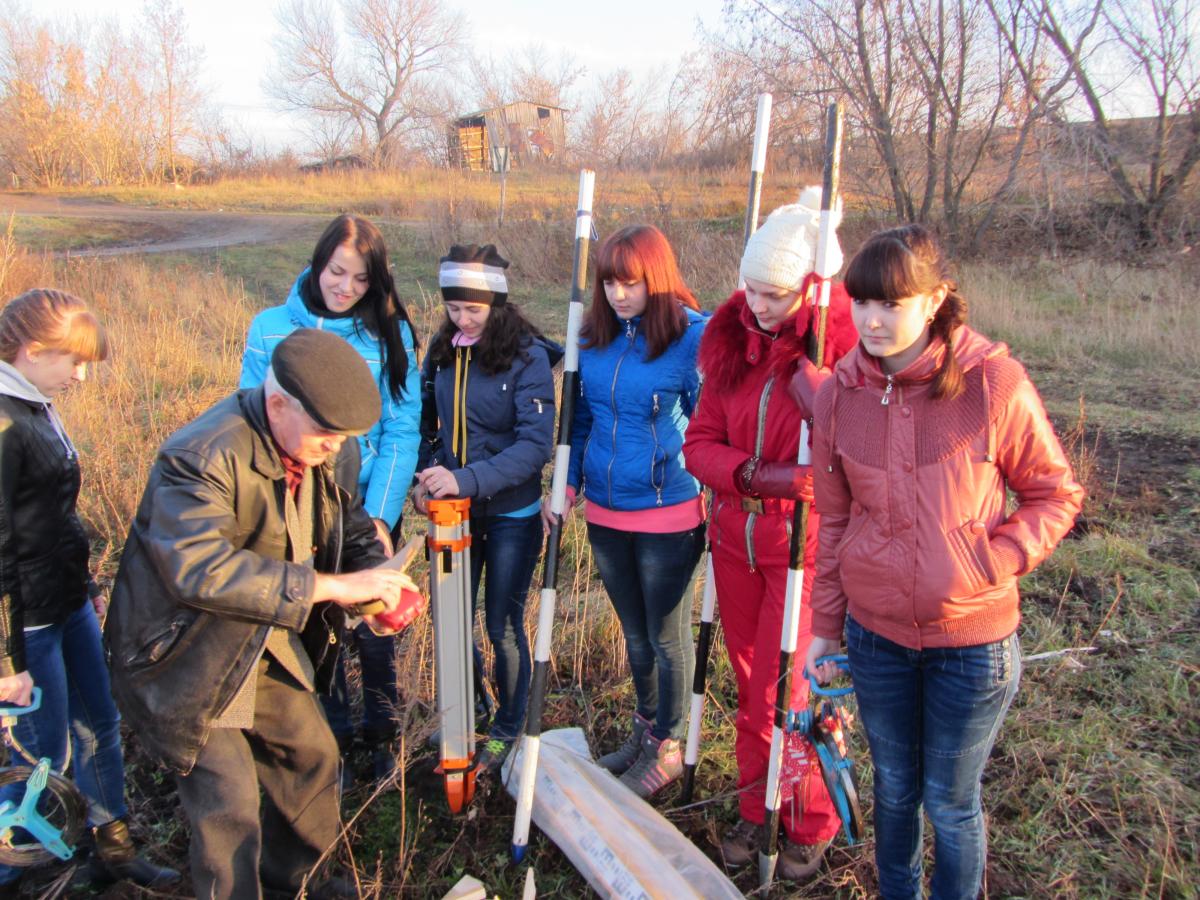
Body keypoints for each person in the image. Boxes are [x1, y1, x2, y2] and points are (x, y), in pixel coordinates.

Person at [804, 224, 1083, 899]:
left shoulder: (993, 385)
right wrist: (825, 626)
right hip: (876, 638)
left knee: (949, 801)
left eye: (891, 304)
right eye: (862, 302)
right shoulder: (838, 396)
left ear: (935, 301)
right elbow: (835, 519)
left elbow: (1055, 492)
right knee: (895, 790)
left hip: (973, 643)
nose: (871, 320)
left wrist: (992, 560)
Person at [105, 329, 418, 900]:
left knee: (314, 758)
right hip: (187, 655)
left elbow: (346, 524)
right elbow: (198, 570)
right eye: (329, 436)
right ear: (278, 404)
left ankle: (293, 885)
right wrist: (332, 588)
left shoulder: (325, 443)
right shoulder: (199, 455)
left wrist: (377, 587)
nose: (339, 448)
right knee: (230, 805)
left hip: (260, 640)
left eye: (347, 438)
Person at [683, 193, 858, 881]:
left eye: (774, 293)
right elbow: (699, 446)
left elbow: (857, 463)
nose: (756, 303)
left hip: (804, 558)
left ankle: (811, 820)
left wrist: (814, 468)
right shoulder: (730, 347)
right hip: (737, 547)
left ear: (810, 290)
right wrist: (765, 475)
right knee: (751, 686)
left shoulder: (838, 359)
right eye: (750, 288)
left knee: (794, 696)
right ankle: (759, 807)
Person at [0, 289, 178, 897]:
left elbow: (56, 513)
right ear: (30, 351)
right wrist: (6, 663)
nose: (80, 375)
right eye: (71, 361)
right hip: (25, 622)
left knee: (98, 722)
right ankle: (28, 873)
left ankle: (113, 851)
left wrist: (88, 584)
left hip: (66, 601)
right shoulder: (3, 420)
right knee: (39, 752)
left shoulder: (37, 405)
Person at [240, 214, 421, 780]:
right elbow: (250, 416)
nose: (345, 287)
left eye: (361, 279)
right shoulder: (270, 329)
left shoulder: (388, 335)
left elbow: (401, 428)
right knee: (313, 625)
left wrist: (380, 516)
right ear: (318, 264)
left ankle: (382, 733)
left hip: (362, 508)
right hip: (294, 510)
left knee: (373, 623)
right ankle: (330, 738)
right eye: (336, 272)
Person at [545, 225, 707, 799]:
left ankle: (670, 745)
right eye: (609, 283)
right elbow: (581, 420)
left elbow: (709, 426)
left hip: (669, 512)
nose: (618, 294)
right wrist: (566, 485)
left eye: (630, 283)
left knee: (667, 638)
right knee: (635, 637)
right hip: (606, 513)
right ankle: (644, 731)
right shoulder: (593, 338)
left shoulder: (692, 339)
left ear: (656, 279)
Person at [413, 244, 557, 775]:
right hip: (455, 514)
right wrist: (426, 475)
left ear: (497, 304)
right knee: (451, 621)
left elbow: (533, 446)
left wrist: (465, 479)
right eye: (454, 308)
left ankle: (506, 729)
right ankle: (468, 712)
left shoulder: (527, 357)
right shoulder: (444, 351)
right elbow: (426, 424)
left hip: (512, 517)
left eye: (474, 310)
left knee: (501, 625)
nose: (463, 319)